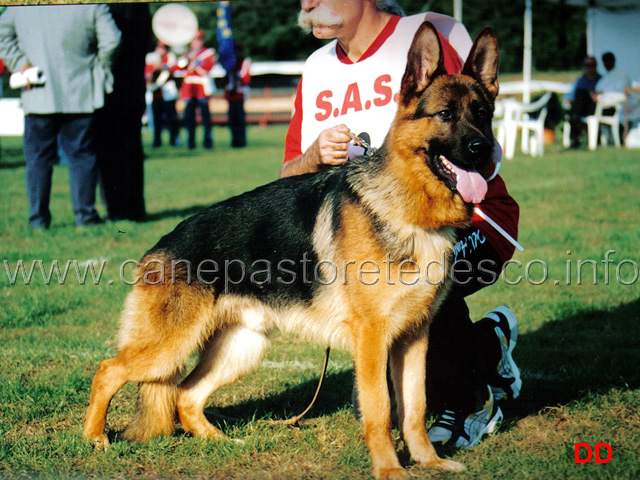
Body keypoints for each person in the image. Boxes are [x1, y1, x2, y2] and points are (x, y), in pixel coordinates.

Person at [283, 0, 521, 449]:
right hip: (379, 233)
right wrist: (314, 155)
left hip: (473, 219)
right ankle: (487, 344)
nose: (308, 3)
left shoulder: (428, 35)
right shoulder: (316, 67)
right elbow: (286, 178)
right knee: (393, 280)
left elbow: (476, 135)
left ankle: (467, 399)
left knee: (422, 271)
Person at [0, 5, 121, 229]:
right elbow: (112, 39)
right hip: (81, 93)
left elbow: (1, 32)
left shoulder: (22, 6)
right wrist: (99, 68)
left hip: (38, 93)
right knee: (82, 158)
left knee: (37, 161)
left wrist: (19, 63)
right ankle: (85, 216)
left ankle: (38, 220)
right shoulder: (91, 5)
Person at [95, 3, 150, 222]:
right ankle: (135, 208)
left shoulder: (109, 9)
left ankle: (118, 210)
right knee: (132, 149)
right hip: (134, 89)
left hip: (113, 89)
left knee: (110, 151)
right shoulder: (139, 8)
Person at [178, 30, 216, 150]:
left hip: (201, 88)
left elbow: (207, 68)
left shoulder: (208, 53)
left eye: (198, 40)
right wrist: (186, 58)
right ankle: (190, 141)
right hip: (189, 88)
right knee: (189, 116)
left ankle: (207, 141)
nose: (196, 43)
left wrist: (195, 61)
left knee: (205, 116)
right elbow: (179, 66)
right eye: (194, 40)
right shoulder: (187, 53)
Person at [146, 40, 180, 148]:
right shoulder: (152, 59)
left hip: (168, 92)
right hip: (156, 93)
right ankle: (157, 140)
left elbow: (174, 68)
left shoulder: (171, 58)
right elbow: (148, 74)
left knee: (171, 118)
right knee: (156, 118)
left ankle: (173, 139)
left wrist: (162, 67)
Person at [565, 56, 601, 148]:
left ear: (596, 66)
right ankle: (575, 119)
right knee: (579, 93)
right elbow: (570, 94)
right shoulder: (580, 80)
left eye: (592, 65)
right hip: (579, 106)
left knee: (581, 94)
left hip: (592, 106)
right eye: (587, 65)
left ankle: (574, 120)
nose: (590, 67)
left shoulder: (600, 80)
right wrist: (568, 99)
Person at [223, 43, 251, 148]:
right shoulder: (229, 64)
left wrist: (236, 73)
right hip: (231, 94)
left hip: (239, 94)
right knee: (232, 119)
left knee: (240, 118)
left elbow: (245, 78)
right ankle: (234, 140)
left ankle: (241, 140)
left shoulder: (244, 62)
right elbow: (225, 80)